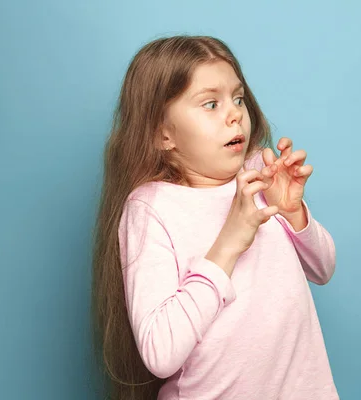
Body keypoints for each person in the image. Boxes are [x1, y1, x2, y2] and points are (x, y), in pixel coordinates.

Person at [91, 35, 338, 400]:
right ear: (163, 133)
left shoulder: (258, 175)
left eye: (238, 98)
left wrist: (292, 212)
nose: (235, 113)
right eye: (210, 103)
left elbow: (323, 269)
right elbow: (160, 354)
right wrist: (229, 243)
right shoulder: (151, 207)